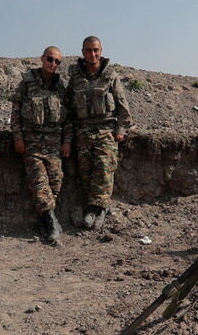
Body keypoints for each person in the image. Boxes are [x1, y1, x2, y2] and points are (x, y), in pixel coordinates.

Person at [64, 36, 132, 229]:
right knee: (86, 172)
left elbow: (123, 108)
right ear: (82, 52)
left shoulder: (110, 75)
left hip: (105, 130)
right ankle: (93, 208)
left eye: (95, 50)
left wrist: (120, 130)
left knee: (103, 169)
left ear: (101, 51)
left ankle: (100, 209)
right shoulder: (75, 77)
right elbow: (68, 109)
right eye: (88, 50)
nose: (92, 54)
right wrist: (69, 138)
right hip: (83, 132)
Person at [10, 46, 69, 244]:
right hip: (32, 144)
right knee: (39, 182)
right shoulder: (26, 84)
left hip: (53, 144)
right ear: (42, 59)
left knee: (55, 182)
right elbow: (15, 112)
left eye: (57, 61)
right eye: (50, 59)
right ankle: (52, 223)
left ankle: (44, 218)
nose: (53, 64)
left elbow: (69, 118)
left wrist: (67, 141)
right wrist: (17, 137)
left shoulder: (61, 87)